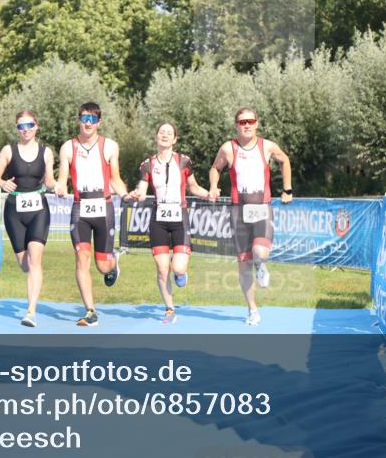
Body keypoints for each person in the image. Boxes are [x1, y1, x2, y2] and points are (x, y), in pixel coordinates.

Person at [208, 107, 293, 326]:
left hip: (262, 207)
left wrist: (287, 189)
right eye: (242, 121)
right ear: (236, 125)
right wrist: (214, 187)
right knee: (243, 264)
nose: (246, 125)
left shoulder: (267, 146)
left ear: (256, 123)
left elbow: (284, 160)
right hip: (238, 211)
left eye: (250, 121)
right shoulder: (228, 148)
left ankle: (262, 265)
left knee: (259, 252)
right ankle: (253, 310)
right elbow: (215, 168)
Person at [125, 122, 209, 324]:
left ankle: (181, 275)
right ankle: (169, 308)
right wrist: (137, 193)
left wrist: (209, 194)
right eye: (161, 132)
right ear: (156, 137)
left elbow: (193, 187)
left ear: (175, 139)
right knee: (163, 269)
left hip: (180, 217)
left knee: (177, 268)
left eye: (169, 133)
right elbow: (143, 190)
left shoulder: (184, 161)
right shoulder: (147, 164)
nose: (165, 135)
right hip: (158, 219)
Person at [54, 102, 129, 327]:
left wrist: (125, 194)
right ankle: (90, 311)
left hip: (103, 207)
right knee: (82, 258)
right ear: (78, 120)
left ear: (99, 122)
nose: (88, 123)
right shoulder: (68, 147)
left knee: (102, 266)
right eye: (84, 118)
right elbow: (62, 179)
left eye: (93, 119)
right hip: (80, 208)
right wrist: (59, 187)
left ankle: (113, 264)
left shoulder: (110, 146)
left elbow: (115, 178)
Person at [0, 110, 56, 328]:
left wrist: (59, 186)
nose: (25, 129)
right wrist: (2, 183)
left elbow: (49, 181)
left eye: (29, 124)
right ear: (17, 129)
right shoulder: (8, 150)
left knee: (35, 260)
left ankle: (31, 311)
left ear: (36, 126)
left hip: (38, 208)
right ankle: (30, 289)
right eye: (21, 126)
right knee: (25, 264)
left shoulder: (46, 152)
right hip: (14, 210)